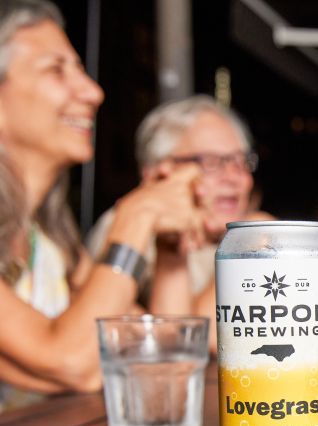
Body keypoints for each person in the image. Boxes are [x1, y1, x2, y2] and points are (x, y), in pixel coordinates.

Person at [0, 0, 205, 396]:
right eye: (57, 70)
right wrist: (138, 213)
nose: (93, 92)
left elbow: (156, 353)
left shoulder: (50, 243)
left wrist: (170, 249)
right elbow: (72, 362)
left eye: (81, 70)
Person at [87, 95, 269, 352]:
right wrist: (249, 241)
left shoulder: (236, 231)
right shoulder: (124, 232)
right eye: (211, 163)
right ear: (158, 173)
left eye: (241, 162)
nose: (235, 178)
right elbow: (195, 340)